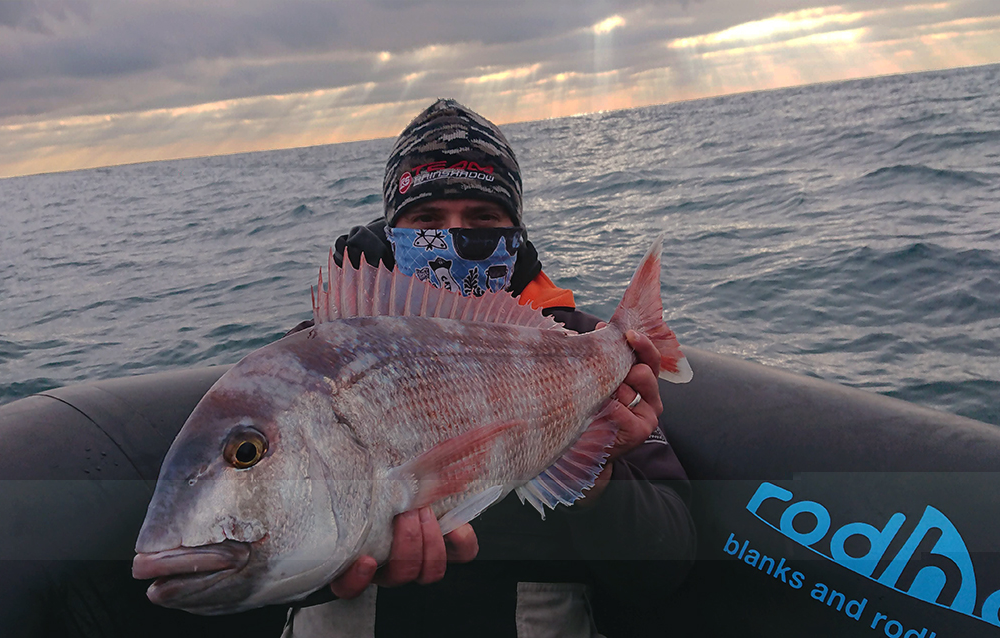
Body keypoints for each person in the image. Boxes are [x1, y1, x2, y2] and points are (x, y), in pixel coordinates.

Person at [284, 99, 695, 637]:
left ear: (515, 230)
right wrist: (330, 561)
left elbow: (667, 569)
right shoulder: (317, 358)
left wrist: (597, 472)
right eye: (427, 220)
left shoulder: (580, 346)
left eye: (482, 218)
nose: (454, 237)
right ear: (392, 230)